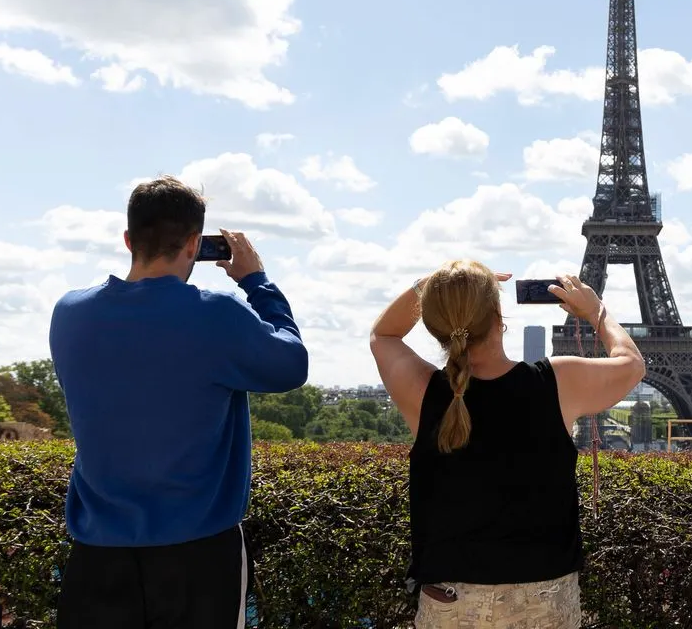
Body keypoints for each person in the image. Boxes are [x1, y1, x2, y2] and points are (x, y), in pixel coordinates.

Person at [49, 175, 309, 629]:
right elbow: (291, 364)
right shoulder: (216, 314)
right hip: (199, 552)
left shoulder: (70, 313)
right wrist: (257, 282)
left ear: (129, 239)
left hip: (97, 553)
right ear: (194, 244)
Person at [369, 261, 645, 628]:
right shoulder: (557, 382)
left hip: (449, 601)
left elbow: (383, 335)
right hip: (543, 601)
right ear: (499, 316)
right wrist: (594, 311)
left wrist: (437, 284)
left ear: (435, 322)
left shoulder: (421, 390)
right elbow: (631, 364)